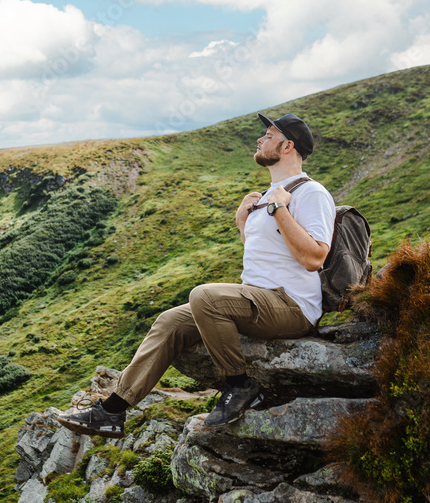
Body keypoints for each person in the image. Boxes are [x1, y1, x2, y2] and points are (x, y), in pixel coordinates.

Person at [55, 111, 336, 438]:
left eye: (269, 136)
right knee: (170, 320)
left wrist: (279, 209)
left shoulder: (310, 193)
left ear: (287, 146)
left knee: (205, 296)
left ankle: (238, 385)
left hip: (292, 306)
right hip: (257, 298)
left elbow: (315, 257)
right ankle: (112, 411)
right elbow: (266, 254)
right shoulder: (270, 195)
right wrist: (243, 223)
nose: (260, 140)